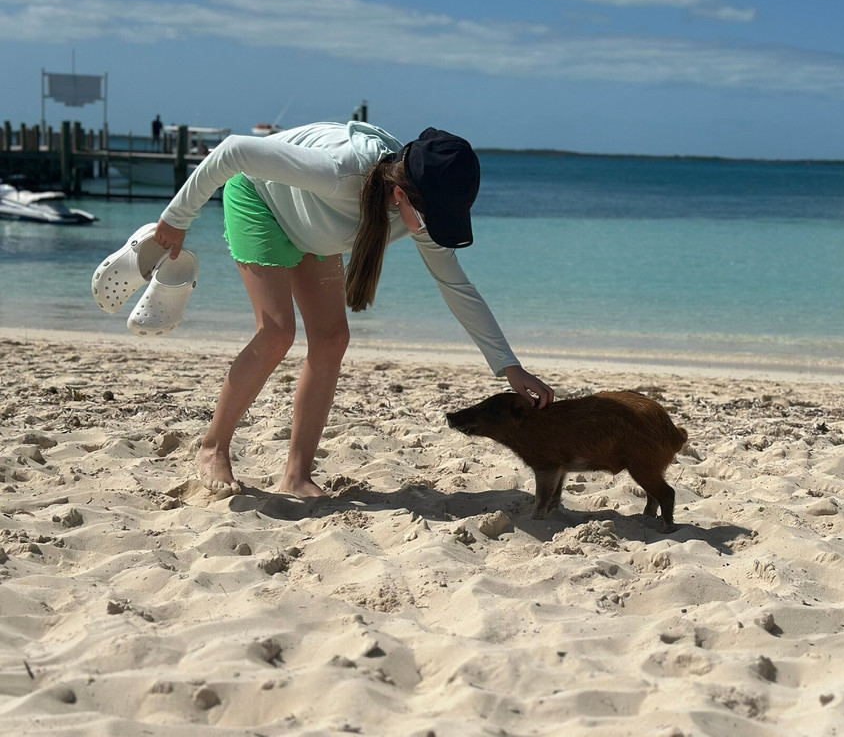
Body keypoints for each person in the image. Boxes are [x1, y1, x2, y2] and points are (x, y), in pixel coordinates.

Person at [153, 121, 554, 498]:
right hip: (262, 201)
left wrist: (509, 366)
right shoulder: (341, 171)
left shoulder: (416, 210)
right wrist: (177, 217)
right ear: (400, 196)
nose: (436, 227)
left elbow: (456, 286)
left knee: (331, 340)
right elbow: (234, 150)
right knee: (277, 332)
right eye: (437, 216)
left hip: (314, 228)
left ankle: (296, 475)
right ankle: (213, 447)